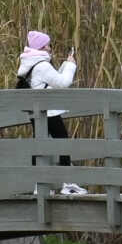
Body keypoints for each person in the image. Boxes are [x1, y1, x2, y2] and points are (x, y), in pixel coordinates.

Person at [15, 29, 85, 194]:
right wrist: (71, 65)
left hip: (36, 112)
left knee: (39, 145)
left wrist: (63, 66)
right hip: (49, 112)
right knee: (63, 143)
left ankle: (39, 185)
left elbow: (50, 82)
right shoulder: (42, 65)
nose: (50, 48)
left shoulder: (30, 64)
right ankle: (68, 184)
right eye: (48, 45)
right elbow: (63, 83)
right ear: (41, 47)